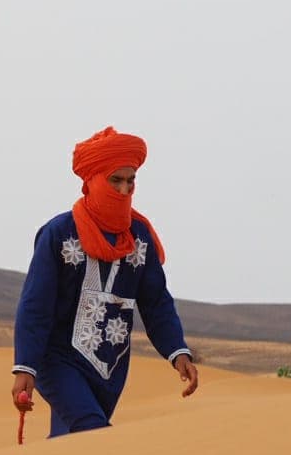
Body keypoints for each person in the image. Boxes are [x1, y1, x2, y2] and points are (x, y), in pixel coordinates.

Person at [11, 126, 199, 436]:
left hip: (110, 367)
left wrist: (177, 351)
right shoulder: (58, 234)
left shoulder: (139, 237)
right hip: (57, 360)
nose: (124, 190)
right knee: (93, 431)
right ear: (93, 179)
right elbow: (35, 305)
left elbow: (156, 303)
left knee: (69, 442)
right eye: (116, 180)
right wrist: (25, 367)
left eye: (131, 181)